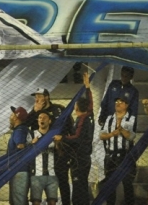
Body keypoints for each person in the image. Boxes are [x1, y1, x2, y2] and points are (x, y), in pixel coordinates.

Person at [54, 71, 93, 205]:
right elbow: (90, 104)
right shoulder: (89, 115)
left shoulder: (82, 120)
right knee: (82, 187)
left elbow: (77, 138)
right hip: (85, 158)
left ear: (76, 108)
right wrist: (87, 88)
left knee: (78, 190)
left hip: (79, 160)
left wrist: (62, 138)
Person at [99, 92, 137, 205]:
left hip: (125, 155)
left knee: (127, 184)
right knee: (110, 185)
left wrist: (120, 129)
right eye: (116, 101)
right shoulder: (109, 118)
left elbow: (131, 136)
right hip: (111, 156)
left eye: (121, 102)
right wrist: (111, 134)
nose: (118, 104)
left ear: (127, 105)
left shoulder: (131, 118)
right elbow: (101, 135)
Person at [8, 106, 32, 205]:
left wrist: (29, 144)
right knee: (19, 200)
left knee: (18, 201)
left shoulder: (19, 131)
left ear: (16, 117)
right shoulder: (23, 129)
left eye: (12, 114)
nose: (10, 116)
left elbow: (20, 146)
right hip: (22, 169)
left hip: (19, 170)